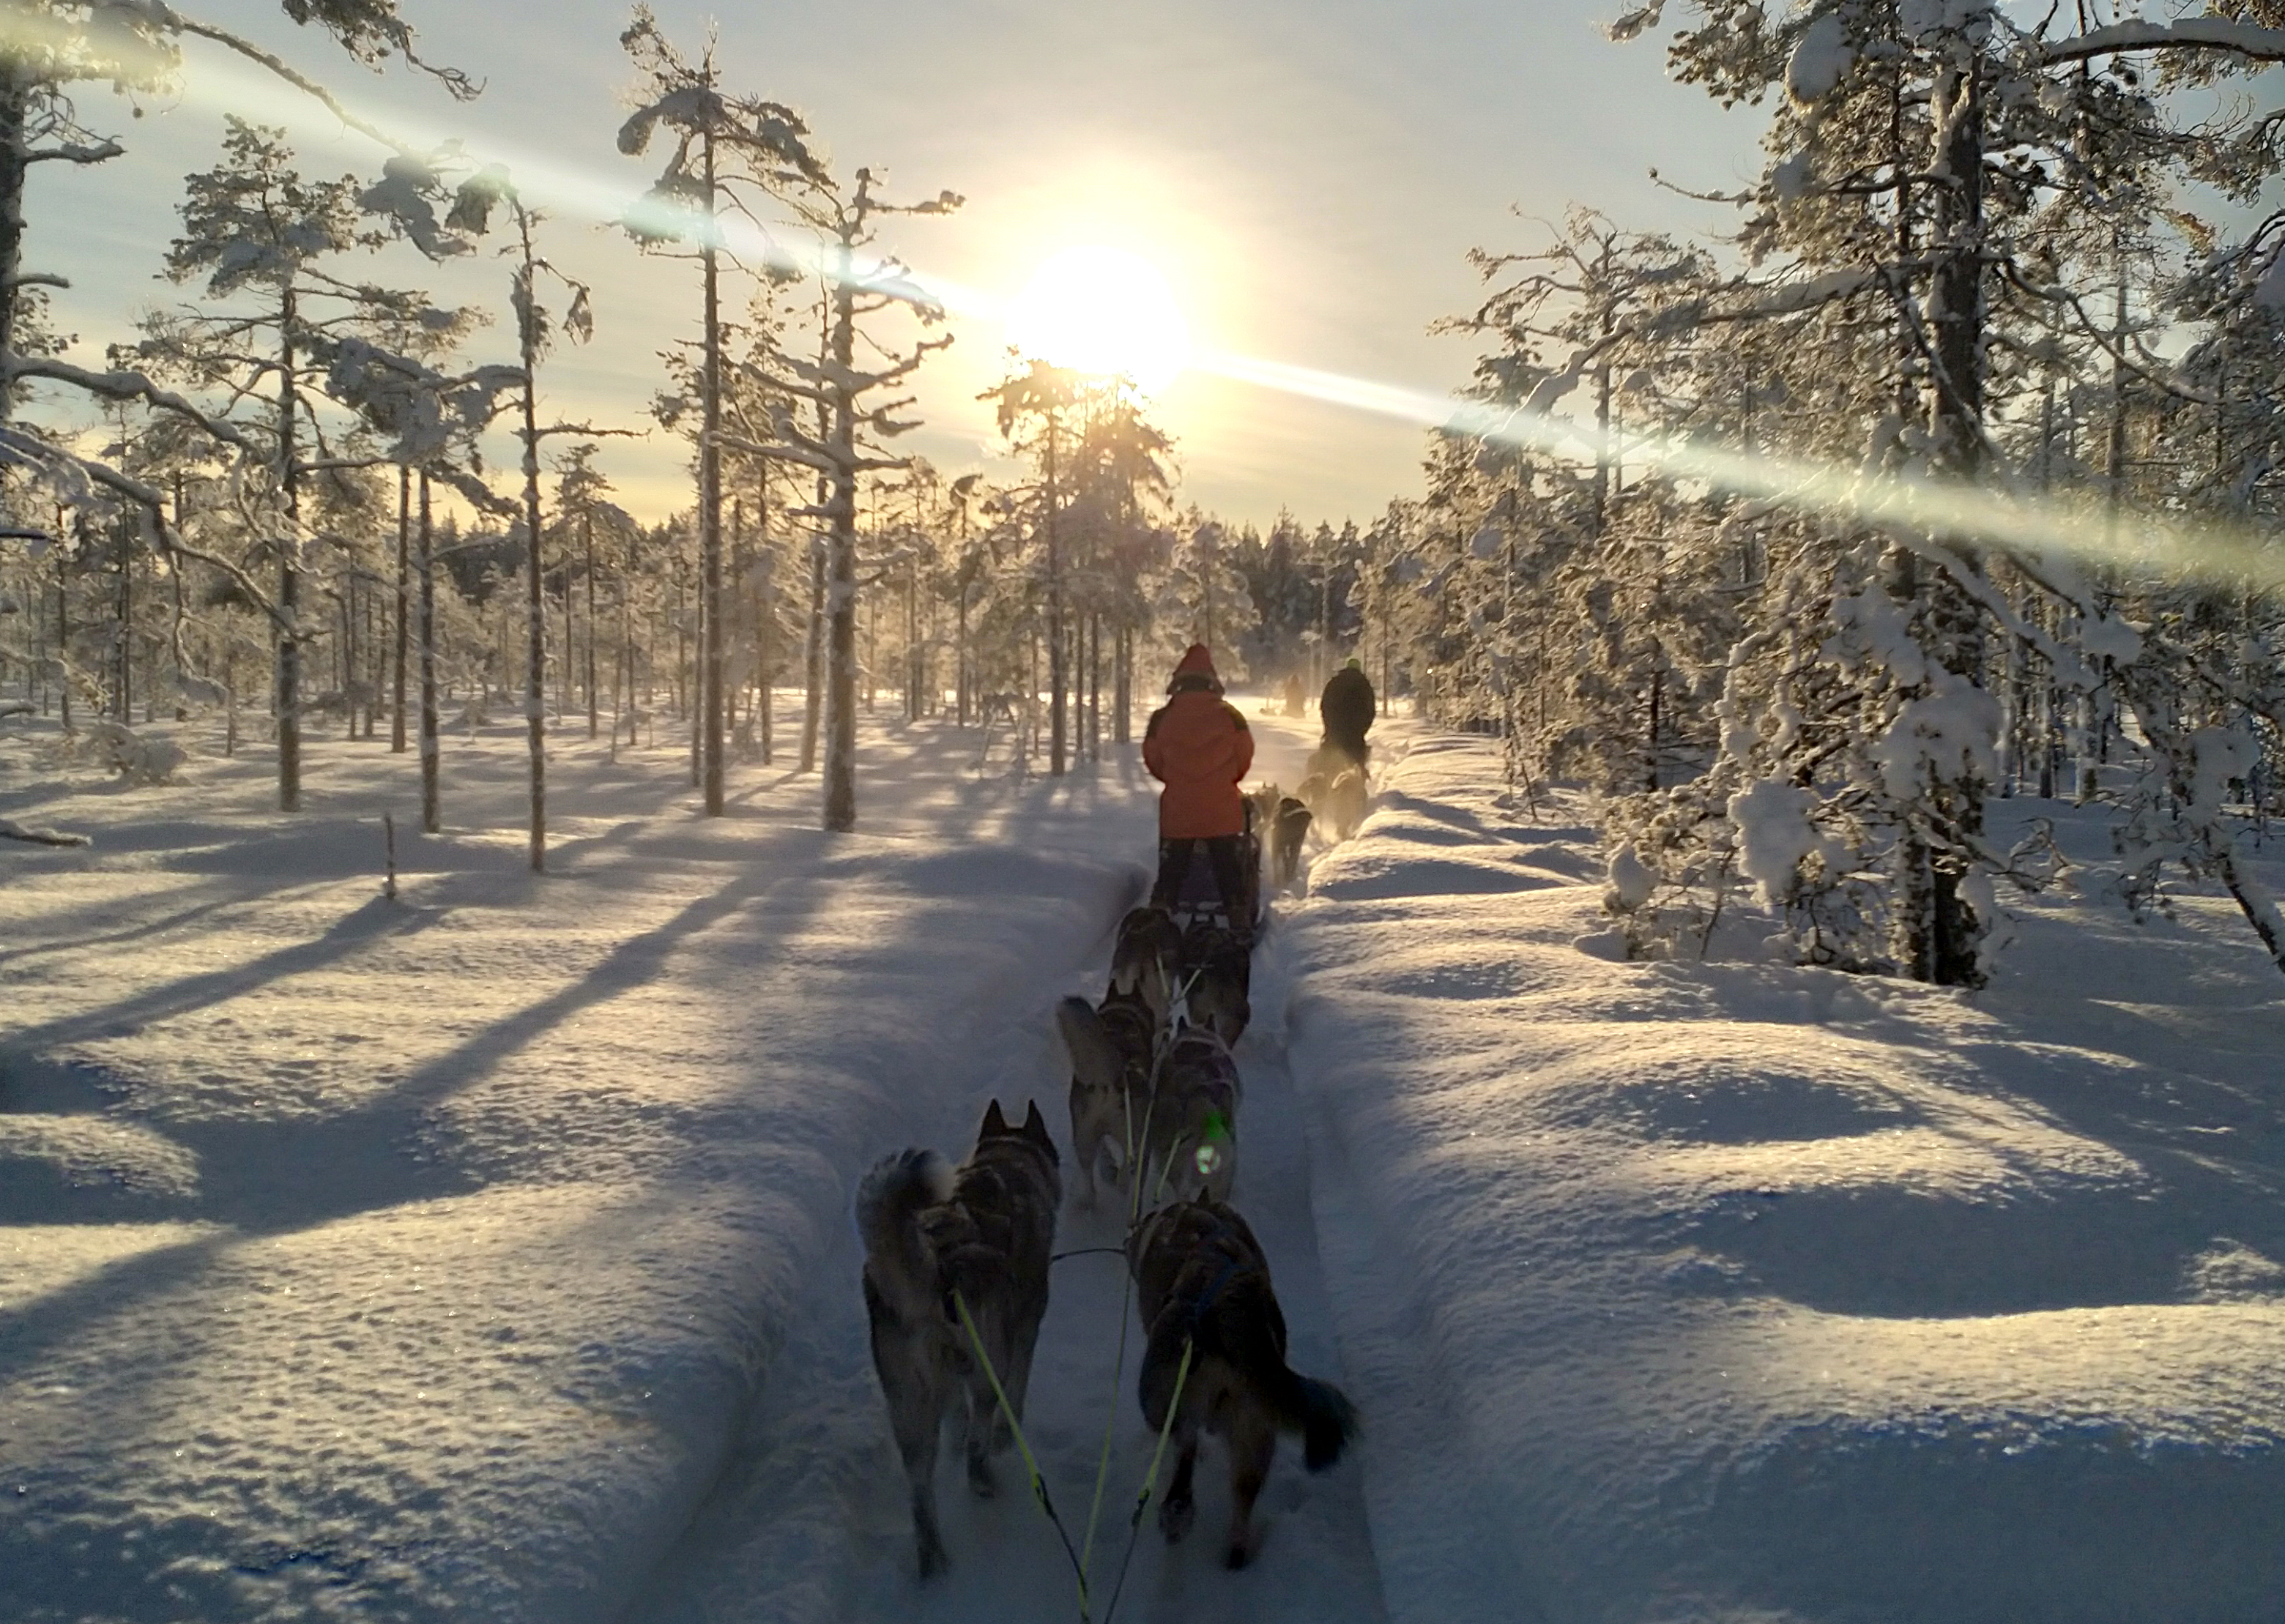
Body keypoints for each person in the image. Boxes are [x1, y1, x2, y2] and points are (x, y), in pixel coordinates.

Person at [1143, 644, 1255, 916]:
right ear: (1211, 681)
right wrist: (1228, 780)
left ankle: (1160, 918)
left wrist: (1175, 779)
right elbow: (1244, 755)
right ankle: (1237, 915)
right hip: (1222, 810)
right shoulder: (1231, 716)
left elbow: (1153, 759)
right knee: (1229, 871)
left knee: (1172, 871)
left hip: (1178, 811)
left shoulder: (1161, 718)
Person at [1319, 656, 1376, 770]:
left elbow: (1324, 706)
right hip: (1355, 734)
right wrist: (1362, 731)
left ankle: (1322, 780)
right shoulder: (1364, 685)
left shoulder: (1334, 682)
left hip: (1334, 731)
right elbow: (1370, 711)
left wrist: (1328, 727)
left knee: (1326, 759)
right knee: (1357, 763)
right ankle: (1357, 781)